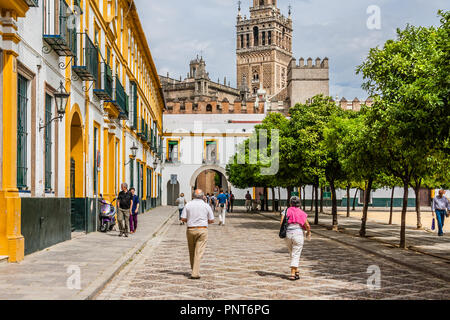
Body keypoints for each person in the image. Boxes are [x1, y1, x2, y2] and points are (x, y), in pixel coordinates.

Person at [180, 189, 215, 279]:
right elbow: (212, 220)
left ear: (193, 196)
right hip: (202, 230)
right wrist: (204, 221)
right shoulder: (206, 206)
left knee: (192, 251)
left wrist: (191, 220)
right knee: (198, 252)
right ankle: (195, 273)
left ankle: (194, 269)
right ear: (203, 196)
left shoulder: (188, 204)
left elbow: (183, 218)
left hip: (190, 230)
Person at [280, 196, 311, 281]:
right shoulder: (301, 212)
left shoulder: (286, 211)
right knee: (296, 253)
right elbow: (307, 225)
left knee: (292, 253)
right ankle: (293, 274)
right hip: (298, 234)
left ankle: (296, 271)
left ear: (290, 203)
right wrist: (308, 232)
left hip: (288, 235)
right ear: (299, 203)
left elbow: (281, 223)